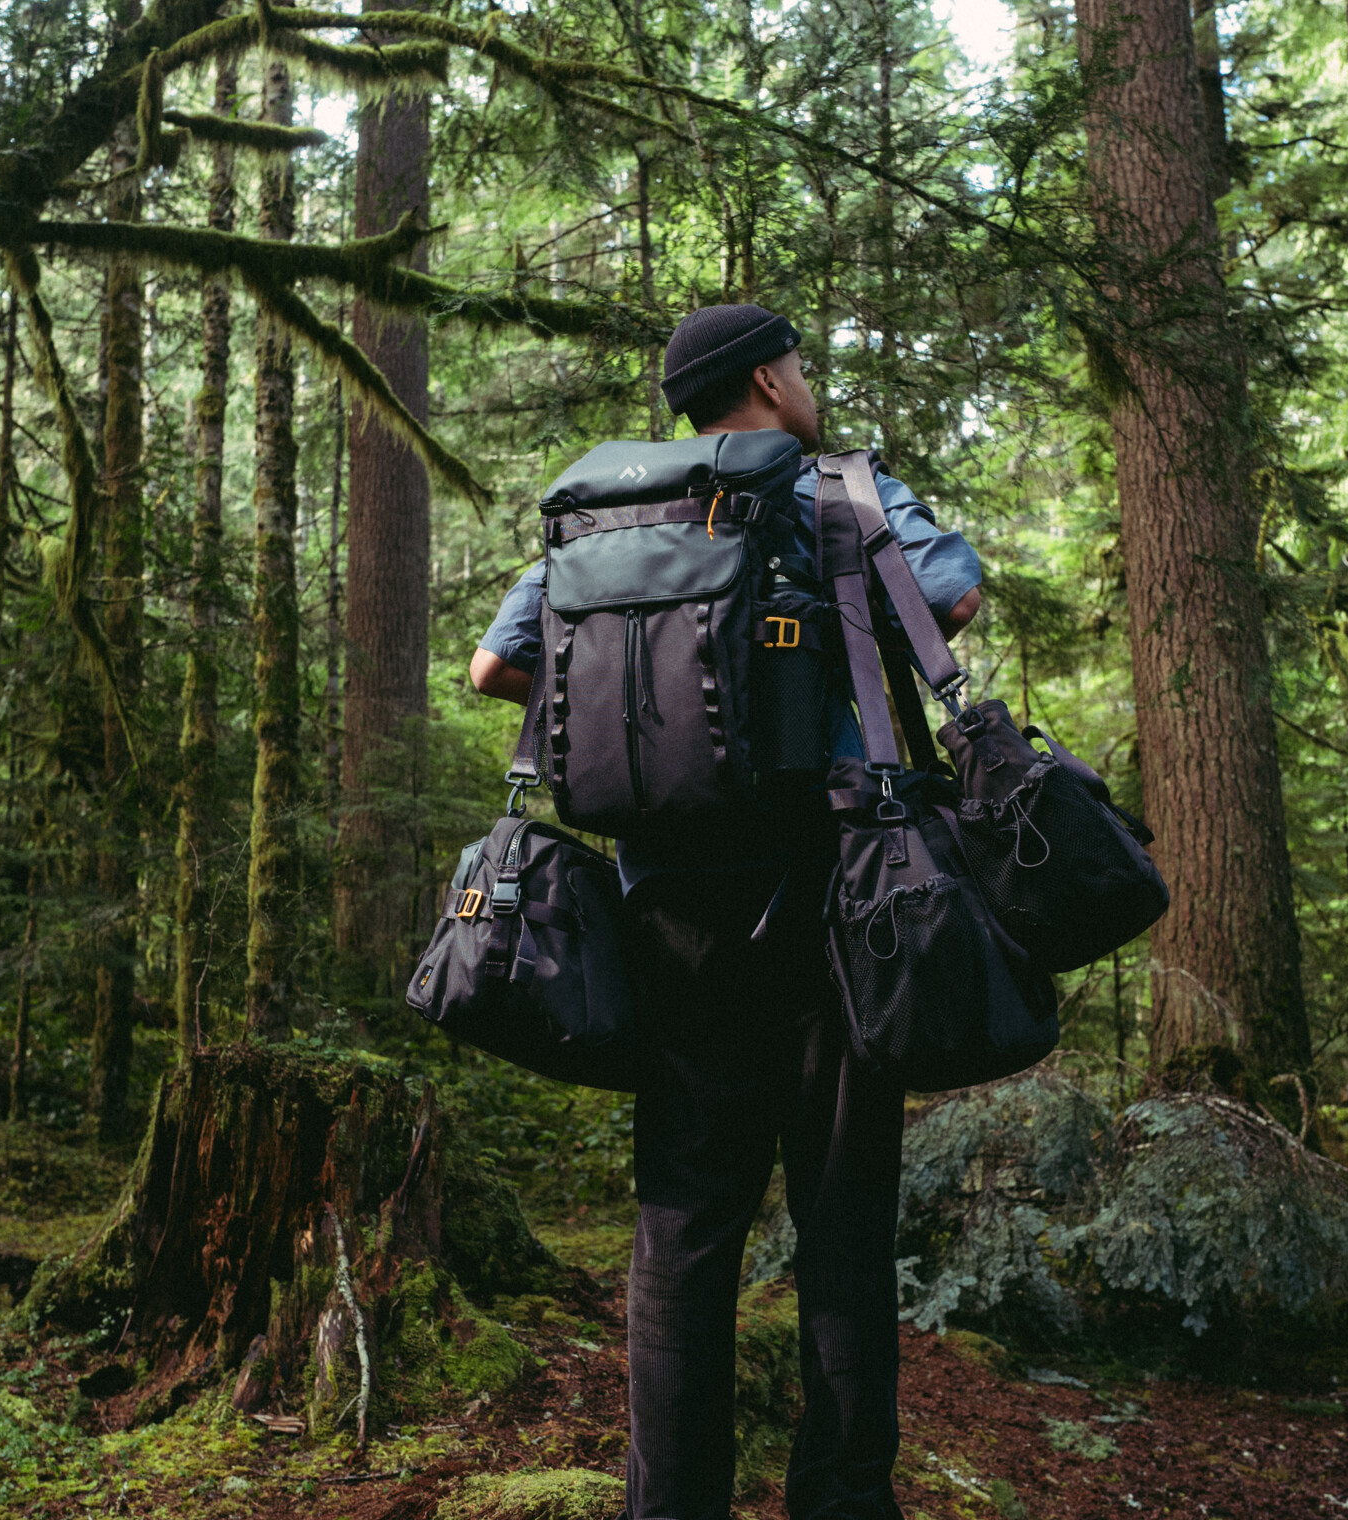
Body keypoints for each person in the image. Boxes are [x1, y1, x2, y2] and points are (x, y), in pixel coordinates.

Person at [467, 303, 983, 1520]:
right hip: (834, 906)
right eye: (798, 365)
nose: (808, 384)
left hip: (666, 908)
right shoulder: (835, 485)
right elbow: (951, 600)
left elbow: (494, 669)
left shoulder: (600, 516)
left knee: (684, 1227)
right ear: (766, 375)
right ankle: (845, 1500)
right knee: (843, 1222)